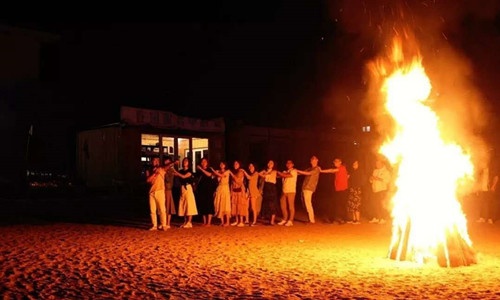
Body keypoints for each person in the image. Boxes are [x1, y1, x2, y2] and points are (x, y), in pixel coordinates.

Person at [320, 158, 349, 224]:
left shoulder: (342, 168)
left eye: (336, 162)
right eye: (334, 162)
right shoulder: (339, 169)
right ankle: (335, 219)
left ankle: (342, 219)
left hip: (343, 190)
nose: (335, 163)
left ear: (340, 162)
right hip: (338, 189)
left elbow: (331, 170)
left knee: (341, 204)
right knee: (336, 203)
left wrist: (321, 171)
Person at [173, 158, 198, 228]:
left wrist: (176, 172)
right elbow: (176, 175)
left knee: (189, 204)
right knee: (183, 204)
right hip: (182, 188)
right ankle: (185, 221)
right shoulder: (181, 171)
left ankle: (189, 222)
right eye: (184, 161)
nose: (184, 162)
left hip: (188, 187)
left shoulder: (190, 171)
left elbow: (184, 177)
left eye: (186, 161)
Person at [297, 155, 321, 224]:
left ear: (317, 161)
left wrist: (297, 170)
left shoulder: (316, 169)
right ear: (310, 161)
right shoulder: (310, 168)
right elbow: (302, 172)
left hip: (309, 188)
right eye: (312, 160)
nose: (313, 161)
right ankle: (310, 219)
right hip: (305, 187)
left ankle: (312, 220)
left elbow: (308, 173)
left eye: (315, 160)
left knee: (308, 203)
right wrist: (292, 171)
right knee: (305, 204)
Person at [146, 157, 167, 231]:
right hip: (152, 192)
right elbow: (148, 180)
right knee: (152, 210)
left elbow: (166, 167)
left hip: (160, 190)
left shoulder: (161, 169)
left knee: (162, 209)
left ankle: (164, 225)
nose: (155, 161)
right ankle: (154, 225)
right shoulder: (149, 170)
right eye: (154, 160)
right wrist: (154, 174)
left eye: (157, 160)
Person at [195, 158, 217, 227]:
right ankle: (204, 222)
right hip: (201, 190)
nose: (203, 163)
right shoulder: (198, 171)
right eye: (202, 162)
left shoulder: (209, 169)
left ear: (207, 163)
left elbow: (209, 175)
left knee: (209, 205)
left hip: (209, 189)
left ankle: (209, 222)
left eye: (205, 161)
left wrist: (201, 169)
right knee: (203, 205)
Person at [369, 158, 391, 224]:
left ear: (382, 164)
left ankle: (383, 219)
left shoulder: (386, 172)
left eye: (378, 163)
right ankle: (376, 218)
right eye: (376, 163)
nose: (377, 164)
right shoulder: (375, 171)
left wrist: (378, 178)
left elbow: (387, 181)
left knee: (381, 205)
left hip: (382, 190)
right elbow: (371, 181)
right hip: (375, 190)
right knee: (374, 205)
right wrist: (371, 179)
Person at [277, 160, 298, 226]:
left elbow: (286, 175)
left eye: (290, 163)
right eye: (287, 163)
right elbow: (279, 176)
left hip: (291, 191)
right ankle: (284, 219)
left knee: (290, 206)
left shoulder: (294, 171)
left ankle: (290, 220)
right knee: (283, 205)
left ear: (293, 164)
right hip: (284, 190)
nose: (288, 164)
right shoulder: (285, 171)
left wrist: (277, 172)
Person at [211, 162, 232, 226]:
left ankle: (227, 222)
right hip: (219, 188)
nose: (221, 165)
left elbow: (222, 176)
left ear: (225, 165)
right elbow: (212, 176)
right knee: (219, 204)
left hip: (225, 188)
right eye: (220, 164)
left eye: (223, 164)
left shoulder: (227, 171)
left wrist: (213, 171)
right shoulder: (218, 171)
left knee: (226, 204)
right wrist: (214, 172)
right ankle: (222, 221)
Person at [259, 160, 279, 225]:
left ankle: (272, 221)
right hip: (266, 187)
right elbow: (259, 174)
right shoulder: (265, 171)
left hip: (272, 187)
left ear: (273, 165)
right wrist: (264, 172)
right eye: (269, 163)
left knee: (272, 204)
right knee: (266, 203)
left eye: (271, 163)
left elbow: (266, 176)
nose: (270, 164)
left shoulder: (274, 171)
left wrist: (265, 173)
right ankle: (267, 218)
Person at [229, 161, 248, 227]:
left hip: (240, 191)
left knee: (240, 205)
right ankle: (236, 221)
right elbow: (232, 183)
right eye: (234, 163)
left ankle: (241, 221)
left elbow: (238, 180)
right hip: (234, 190)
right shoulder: (234, 172)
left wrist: (231, 173)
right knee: (235, 205)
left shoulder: (240, 172)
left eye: (237, 163)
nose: (235, 165)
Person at [163, 157, 178, 229]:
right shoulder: (163, 169)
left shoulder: (171, 170)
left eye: (168, 162)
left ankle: (168, 223)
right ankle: (164, 222)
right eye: (165, 161)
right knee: (163, 206)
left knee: (168, 206)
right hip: (162, 189)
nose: (166, 163)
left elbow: (168, 180)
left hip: (168, 189)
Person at [348, 160, 364, 224]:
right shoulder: (352, 172)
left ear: (358, 165)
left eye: (356, 164)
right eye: (353, 163)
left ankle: (358, 219)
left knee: (357, 204)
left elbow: (362, 181)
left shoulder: (360, 172)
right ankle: (354, 219)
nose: (354, 165)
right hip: (352, 189)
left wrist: (358, 187)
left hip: (357, 189)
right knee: (352, 204)